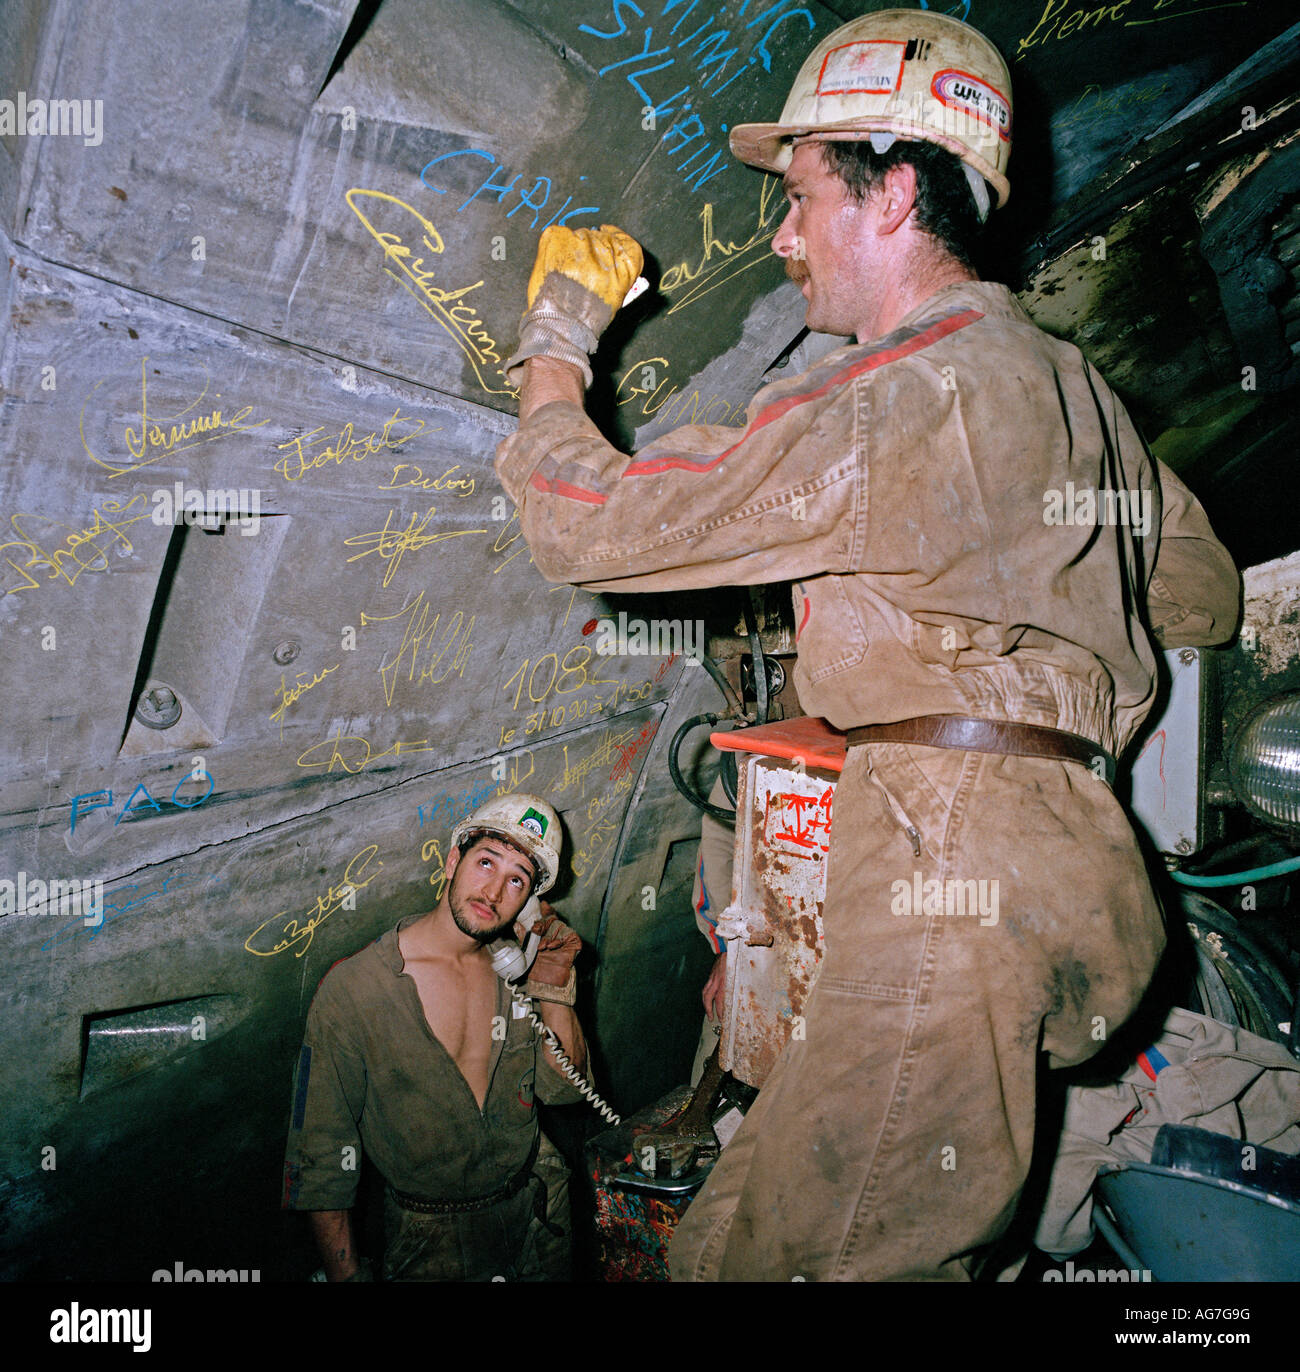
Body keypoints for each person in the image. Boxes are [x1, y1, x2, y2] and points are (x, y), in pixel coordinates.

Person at [494, 8, 1240, 1282]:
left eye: (797, 195)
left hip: (952, 867)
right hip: (1084, 879)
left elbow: (599, 527)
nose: (780, 239)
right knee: (739, 1239)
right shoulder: (1077, 392)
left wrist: (554, 354)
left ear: (893, 193)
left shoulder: (890, 392)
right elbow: (1201, 597)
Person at [282, 794, 588, 1281]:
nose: (492, 892)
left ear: (529, 901)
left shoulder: (513, 973)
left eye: (516, 880)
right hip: (432, 1241)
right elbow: (319, 1161)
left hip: (539, 1216)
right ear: (452, 860)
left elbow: (565, 1089)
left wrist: (551, 983)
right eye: (485, 862)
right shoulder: (357, 989)